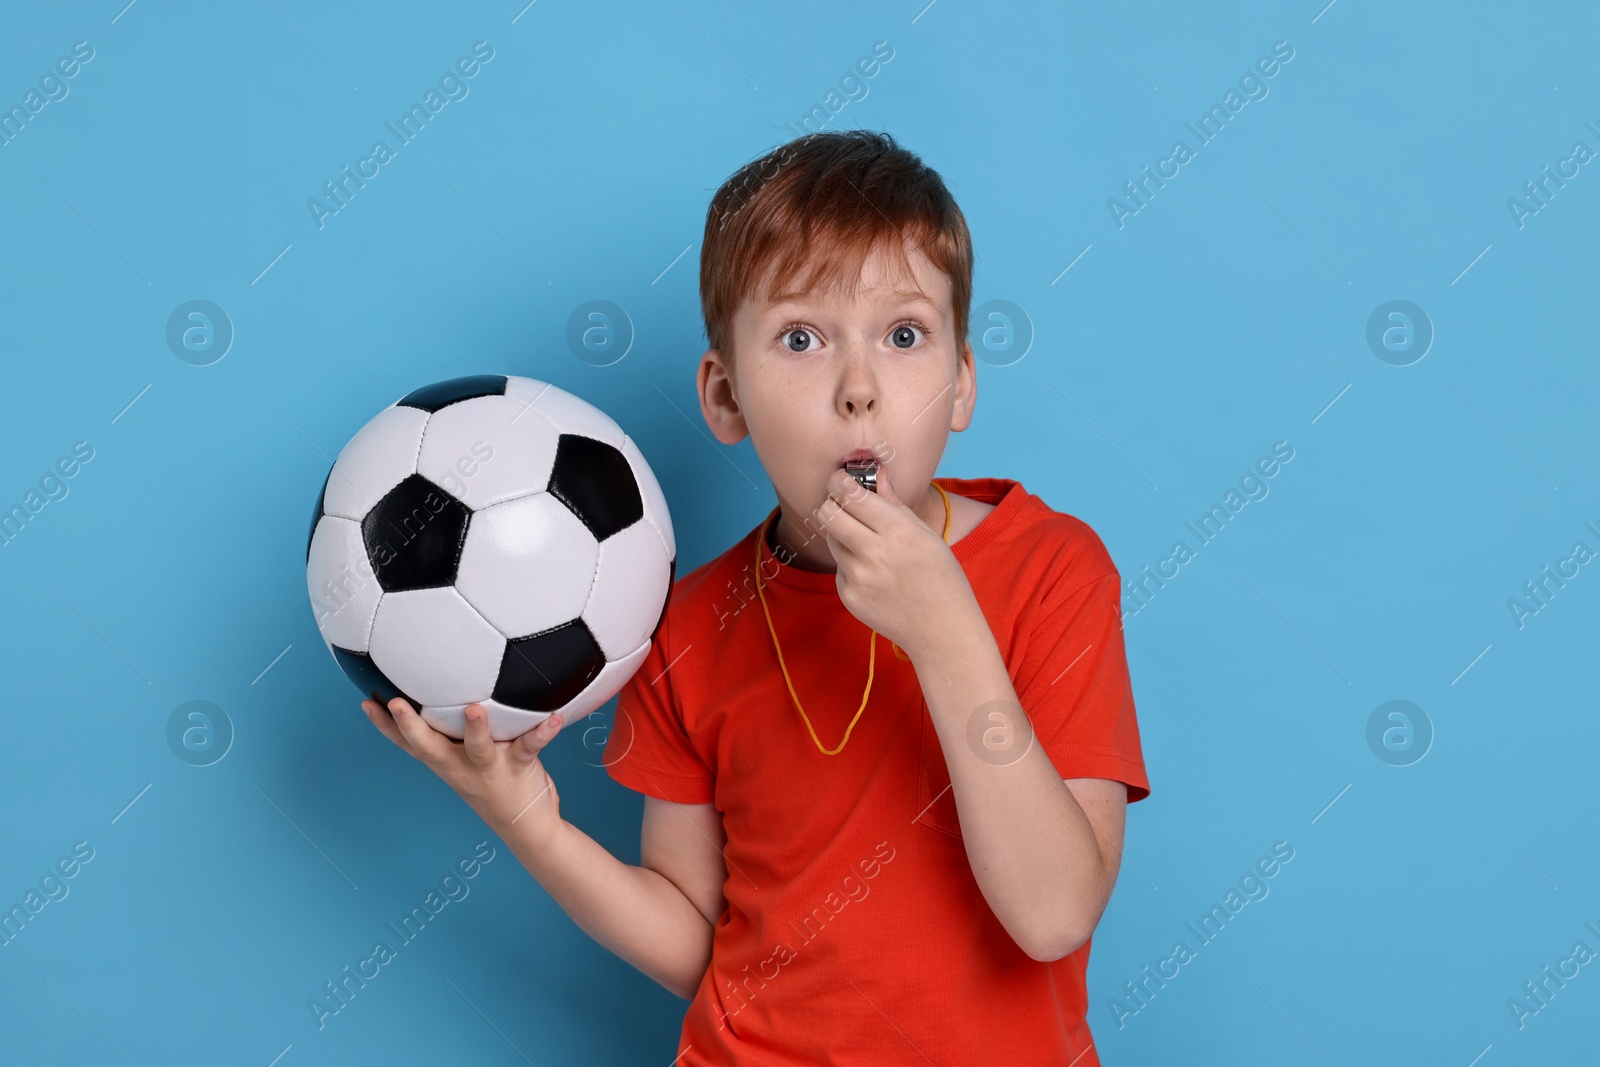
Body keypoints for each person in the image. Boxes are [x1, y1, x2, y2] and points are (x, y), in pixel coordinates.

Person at [362, 129, 1150, 1065]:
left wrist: (945, 630)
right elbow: (703, 946)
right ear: (726, 395)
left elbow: (1053, 914)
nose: (859, 390)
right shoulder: (690, 623)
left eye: (904, 336)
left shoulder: (1054, 569)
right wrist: (525, 819)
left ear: (962, 383)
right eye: (801, 338)